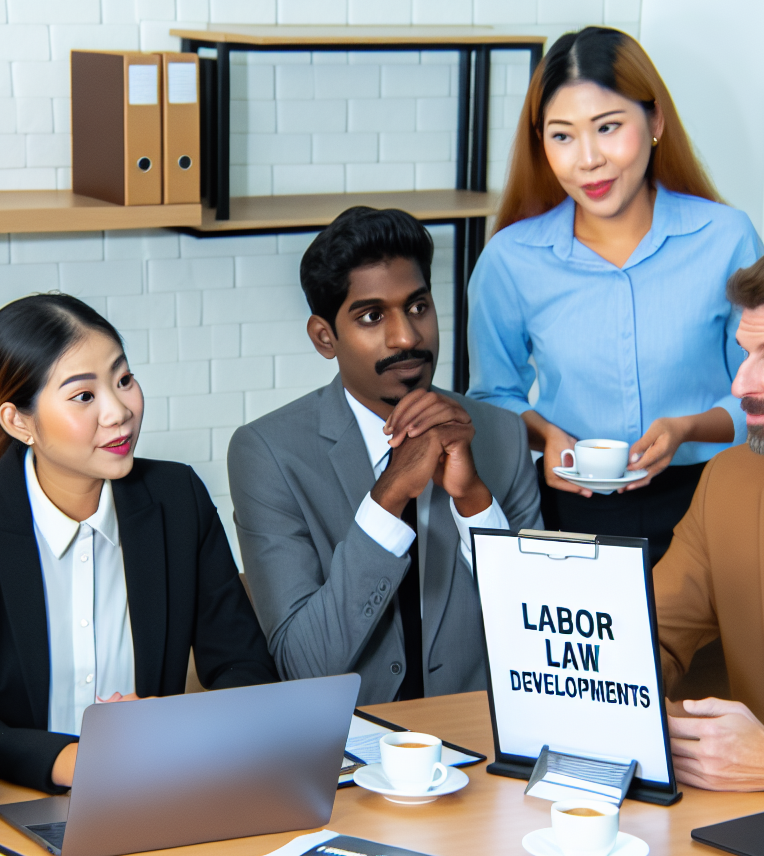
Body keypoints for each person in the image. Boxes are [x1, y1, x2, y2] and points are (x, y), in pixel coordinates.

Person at [0, 294, 278, 794]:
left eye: (123, 380)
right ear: (19, 421)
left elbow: (245, 668)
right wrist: (71, 761)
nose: (119, 411)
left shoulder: (176, 498)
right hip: (9, 800)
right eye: (84, 396)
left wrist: (174, 724)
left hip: (153, 788)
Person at [467, 26, 763, 562]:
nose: (588, 160)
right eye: (562, 136)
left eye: (607, 128)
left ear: (654, 122)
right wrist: (543, 436)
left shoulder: (727, 238)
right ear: (542, 144)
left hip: (718, 498)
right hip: (571, 513)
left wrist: (687, 428)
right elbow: (493, 398)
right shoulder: (510, 260)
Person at [227, 207, 542, 705]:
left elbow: (544, 633)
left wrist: (474, 500)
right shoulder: (269, 454)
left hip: (485, 738)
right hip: (349, 751)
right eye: (373, 316)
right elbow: (304, 665)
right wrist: (389, 495)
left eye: (418, 307)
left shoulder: (501, 434)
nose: (407, 337)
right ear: (324, 337)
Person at [655, 244, 764, 794]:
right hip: (758, 832)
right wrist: (640, 714)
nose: (742, 385)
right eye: (744, 353)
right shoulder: (731, 480)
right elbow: (646, 634)